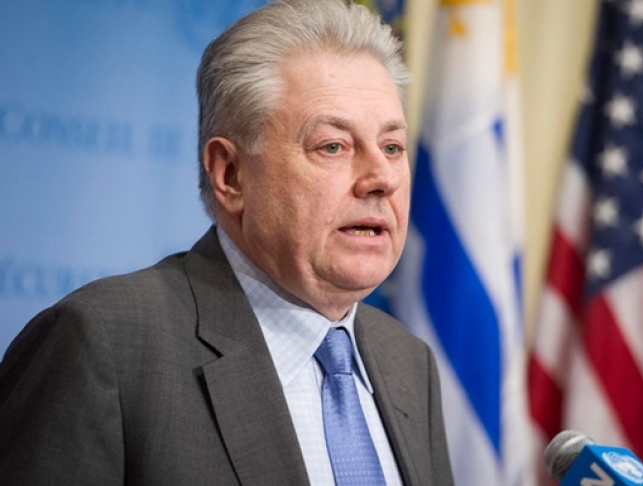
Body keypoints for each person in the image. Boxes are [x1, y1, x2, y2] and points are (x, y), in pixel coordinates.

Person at [0, 1, 454, 485]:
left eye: (391, 147)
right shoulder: (103, 345)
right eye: (332, 146)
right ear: (231, 174)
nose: (383, 178)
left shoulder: (408, 361)